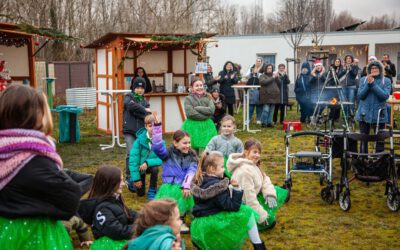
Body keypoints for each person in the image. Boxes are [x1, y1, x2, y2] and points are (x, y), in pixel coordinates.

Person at [0, 85, 81, 249]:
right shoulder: (32, 156)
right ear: (30, 115)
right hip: (33, 237)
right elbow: (69, 199)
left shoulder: (5, 152)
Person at [190, 151, 266, 250]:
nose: (224, 169)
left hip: (200, 223)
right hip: (213, 221)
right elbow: (233, 206)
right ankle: (259, 246)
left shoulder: (199, 181)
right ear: (212, 169)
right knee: (248, 213)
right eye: (222, 167)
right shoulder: (219, 187)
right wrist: (236, 189)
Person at [227, 139, 287, 231]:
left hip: (253, 195)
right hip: (242, 204)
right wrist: (262, 216)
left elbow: (264, 179)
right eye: (254, 152)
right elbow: (248, 198)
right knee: (270, 223)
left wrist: (269, 194)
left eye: (259, 153)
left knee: (275, 192)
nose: (257, 155)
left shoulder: (253, 165)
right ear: (246, 152)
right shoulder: (244, 171)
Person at [152, 114, 198, 234]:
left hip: (184, 185)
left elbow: (191, 171)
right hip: (169, 186)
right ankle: (177, 220)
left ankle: (188, 218)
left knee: (186, 195)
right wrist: (157, 127)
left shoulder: (192, 156)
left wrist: (186, 185)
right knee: (173, 201)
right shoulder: (167, 154)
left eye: (189, 143)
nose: (187, 146)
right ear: (175, 143)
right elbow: (157, 147)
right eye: (184, 143)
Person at [79, 166, 137, 250]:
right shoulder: (102, 209)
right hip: (111, 246)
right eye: (120, 181)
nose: (123, 184)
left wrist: (147, 218)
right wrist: (140, 226)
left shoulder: (114, 199)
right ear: (109, 183)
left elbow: (129, 213)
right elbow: (117, 232)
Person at [356, 61, 391, 153]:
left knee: (380, 139)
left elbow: (384, 96)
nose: (374, 70)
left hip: (379, 114)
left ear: (380, 69)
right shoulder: (363, 79)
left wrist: (373, 85)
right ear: (369, 70)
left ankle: (379, 160)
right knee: (363, 138)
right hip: (364, 113)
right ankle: (363, 159)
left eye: (376, 68)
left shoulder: (386, 80)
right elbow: (360, 96)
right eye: (372, 68)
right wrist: (368, 84)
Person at [123, 77, 151, 184]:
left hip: (140, 132)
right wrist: (143, 110)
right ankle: (129, 176)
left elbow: (147, 116)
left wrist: (137, 110)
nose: (140, 90)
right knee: (130, 153)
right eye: (138, 87)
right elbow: (129, 106)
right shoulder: (128, 96)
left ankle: (137, 174)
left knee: (140, 153)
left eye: (142, 88)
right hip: (129, 130)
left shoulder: (145, 101)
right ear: (134, 88)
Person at [127, 114, 162, 200]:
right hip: (139, 169)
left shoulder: (159, 140)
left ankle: (152, 190)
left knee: (155, 169)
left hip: (149, 166)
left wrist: (147, 163)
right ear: (146, 126)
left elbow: (161, 158)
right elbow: (133, 161)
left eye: (155, 126)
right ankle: (131, 183)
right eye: (150, 126)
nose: (153, 128)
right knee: (140, 194)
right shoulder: (138, 141)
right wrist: (136, 179)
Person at [181, 77, 217, 152]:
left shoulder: (208, 97)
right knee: (192, 148)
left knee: (208, 148)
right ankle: (194, 162)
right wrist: (206, 116)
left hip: (207, 126)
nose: (199, 87)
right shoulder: (188, 99)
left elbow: (211, 110)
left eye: (201, 85)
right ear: (192, 88)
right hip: (192, 126)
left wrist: (198, 108)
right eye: (197, 86)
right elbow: (190, 113)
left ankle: (206, 162)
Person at [245, 57, 264, 124]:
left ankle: (259, 119)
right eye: (257, 61)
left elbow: (263, 78)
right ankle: (248, 119)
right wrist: (251, 72)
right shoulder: (251, 68)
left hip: (259, 90)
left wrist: (258, 73)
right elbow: (246, 76)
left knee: (259, 105)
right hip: (251, 90)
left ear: (261, 62)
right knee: (250, 106)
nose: (258, 62)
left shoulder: (263, 69)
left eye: (259, 61)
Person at [328, 58, 345, 123]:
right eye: (336, 61)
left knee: (338, 104)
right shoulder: (332, 69)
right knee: (333, 103)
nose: (337, 62)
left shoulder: (342, 69)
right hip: (332, 89)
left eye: (338, 61)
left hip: (340, 88)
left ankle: (336, 118)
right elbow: (333, 78)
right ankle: (331, 118)